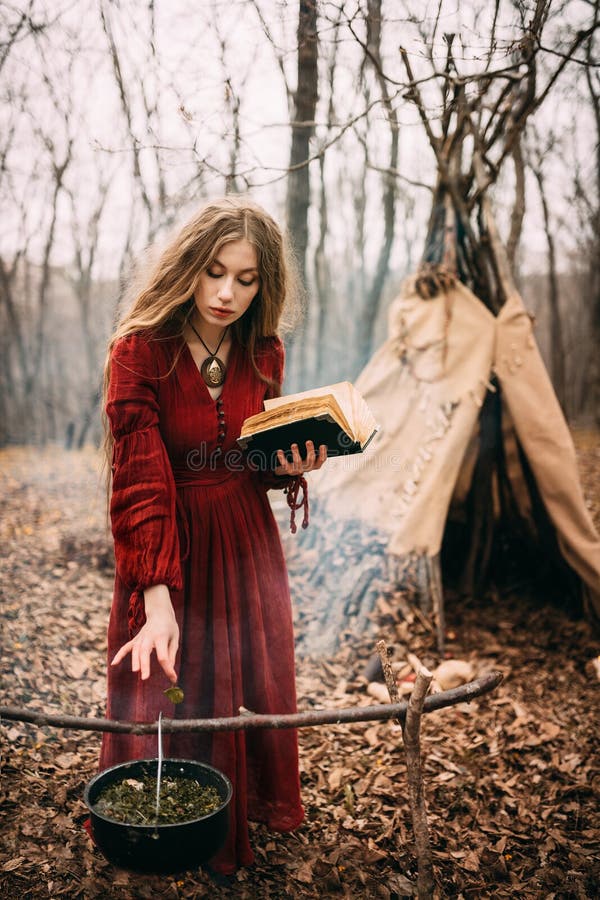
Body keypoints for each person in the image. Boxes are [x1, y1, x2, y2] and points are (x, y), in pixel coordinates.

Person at [99, 196, 327, 874]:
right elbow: (140, 479)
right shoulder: (139, 352)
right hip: (166, 542)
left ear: (266, 283)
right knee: (172, 687)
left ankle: (243, 807)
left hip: (247, 544)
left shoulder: (264, 349)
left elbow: (245, 459)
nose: (228, 293)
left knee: (248, 677)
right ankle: (165, 820)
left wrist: (288, 468)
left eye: (248, 278)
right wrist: (158, 601)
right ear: (188, 268)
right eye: (215, 272)